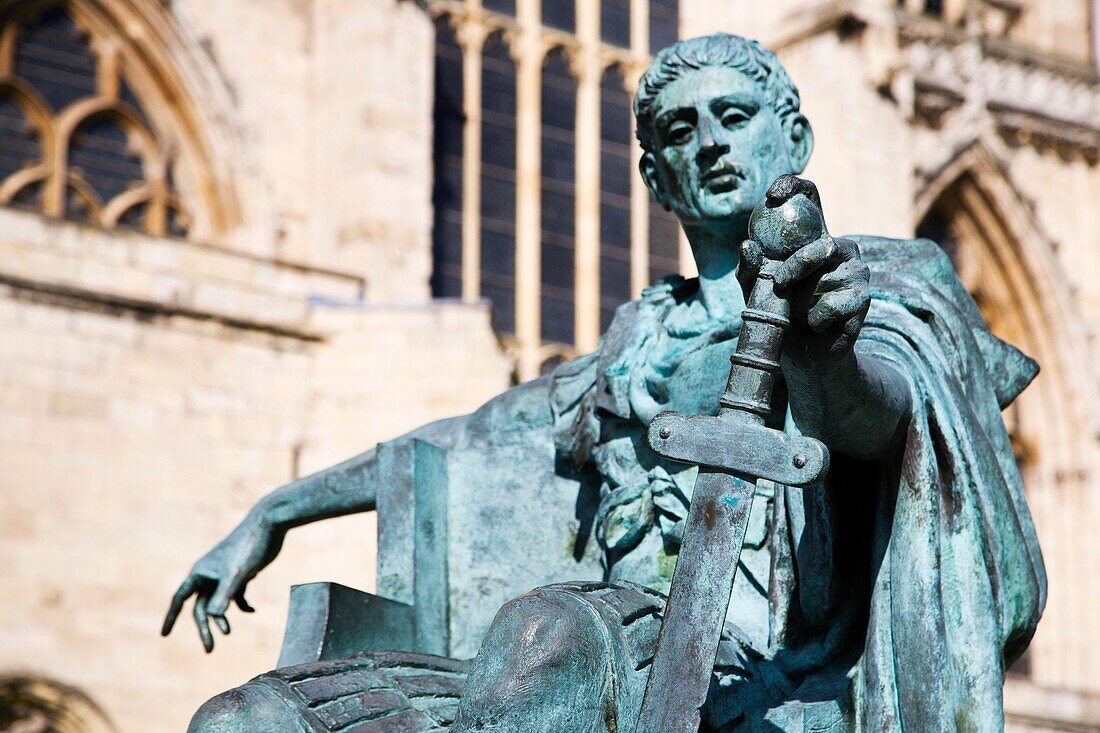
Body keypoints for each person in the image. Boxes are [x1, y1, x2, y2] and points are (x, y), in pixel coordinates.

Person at [170, 33, 1045, 732]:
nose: (708, 143)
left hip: (757, 672)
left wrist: (822, 351)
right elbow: (463, 439)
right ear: (654, 178)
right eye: (678, 131)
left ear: (796, 139)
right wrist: (277, 509)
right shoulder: (630, 349)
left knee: (545, 635)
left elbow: (883, 420)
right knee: (248, 716)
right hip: (568, 671)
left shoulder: (877, 288)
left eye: (733, 116)